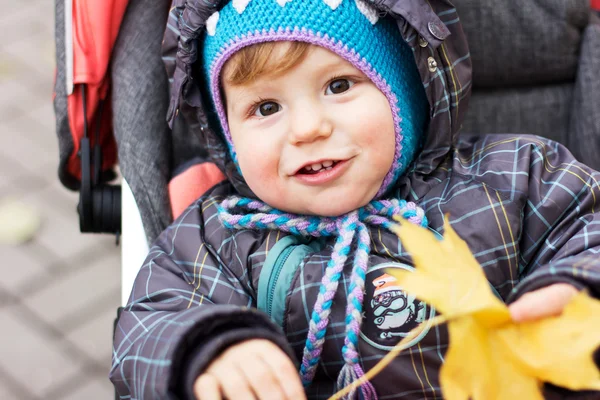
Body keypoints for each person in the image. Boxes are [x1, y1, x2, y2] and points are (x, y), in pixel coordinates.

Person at [110, 0, 600, 399]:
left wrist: (575, 284)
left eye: (338, 85)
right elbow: (150, 323)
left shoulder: (512, 177)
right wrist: (209, 349)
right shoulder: (219, 236)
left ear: (406, 93)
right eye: (265, 107)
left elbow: (588, 223)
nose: (307, 129)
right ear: (227, 135)